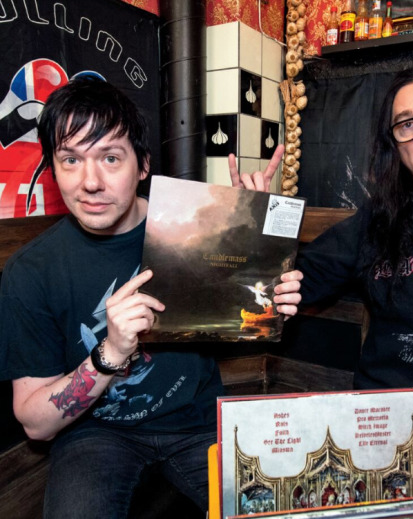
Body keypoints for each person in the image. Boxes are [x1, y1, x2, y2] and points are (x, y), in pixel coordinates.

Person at [0, 77, 302, 518]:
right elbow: (34, 423)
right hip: (95, 433)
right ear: (52, 169)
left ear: (143, 166)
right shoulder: (32, 271)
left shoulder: (193, 228)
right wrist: (112, 351)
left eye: (110, 157)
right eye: (70, 159)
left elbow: (248, 319)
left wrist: (260, 253)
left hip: (199, 421)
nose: (91, 181)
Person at [233, 61, 413, 489]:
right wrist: (262, 222)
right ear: (393, 143)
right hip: (384, 430)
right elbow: (285, 285)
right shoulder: (377, 222)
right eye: (406, 124)